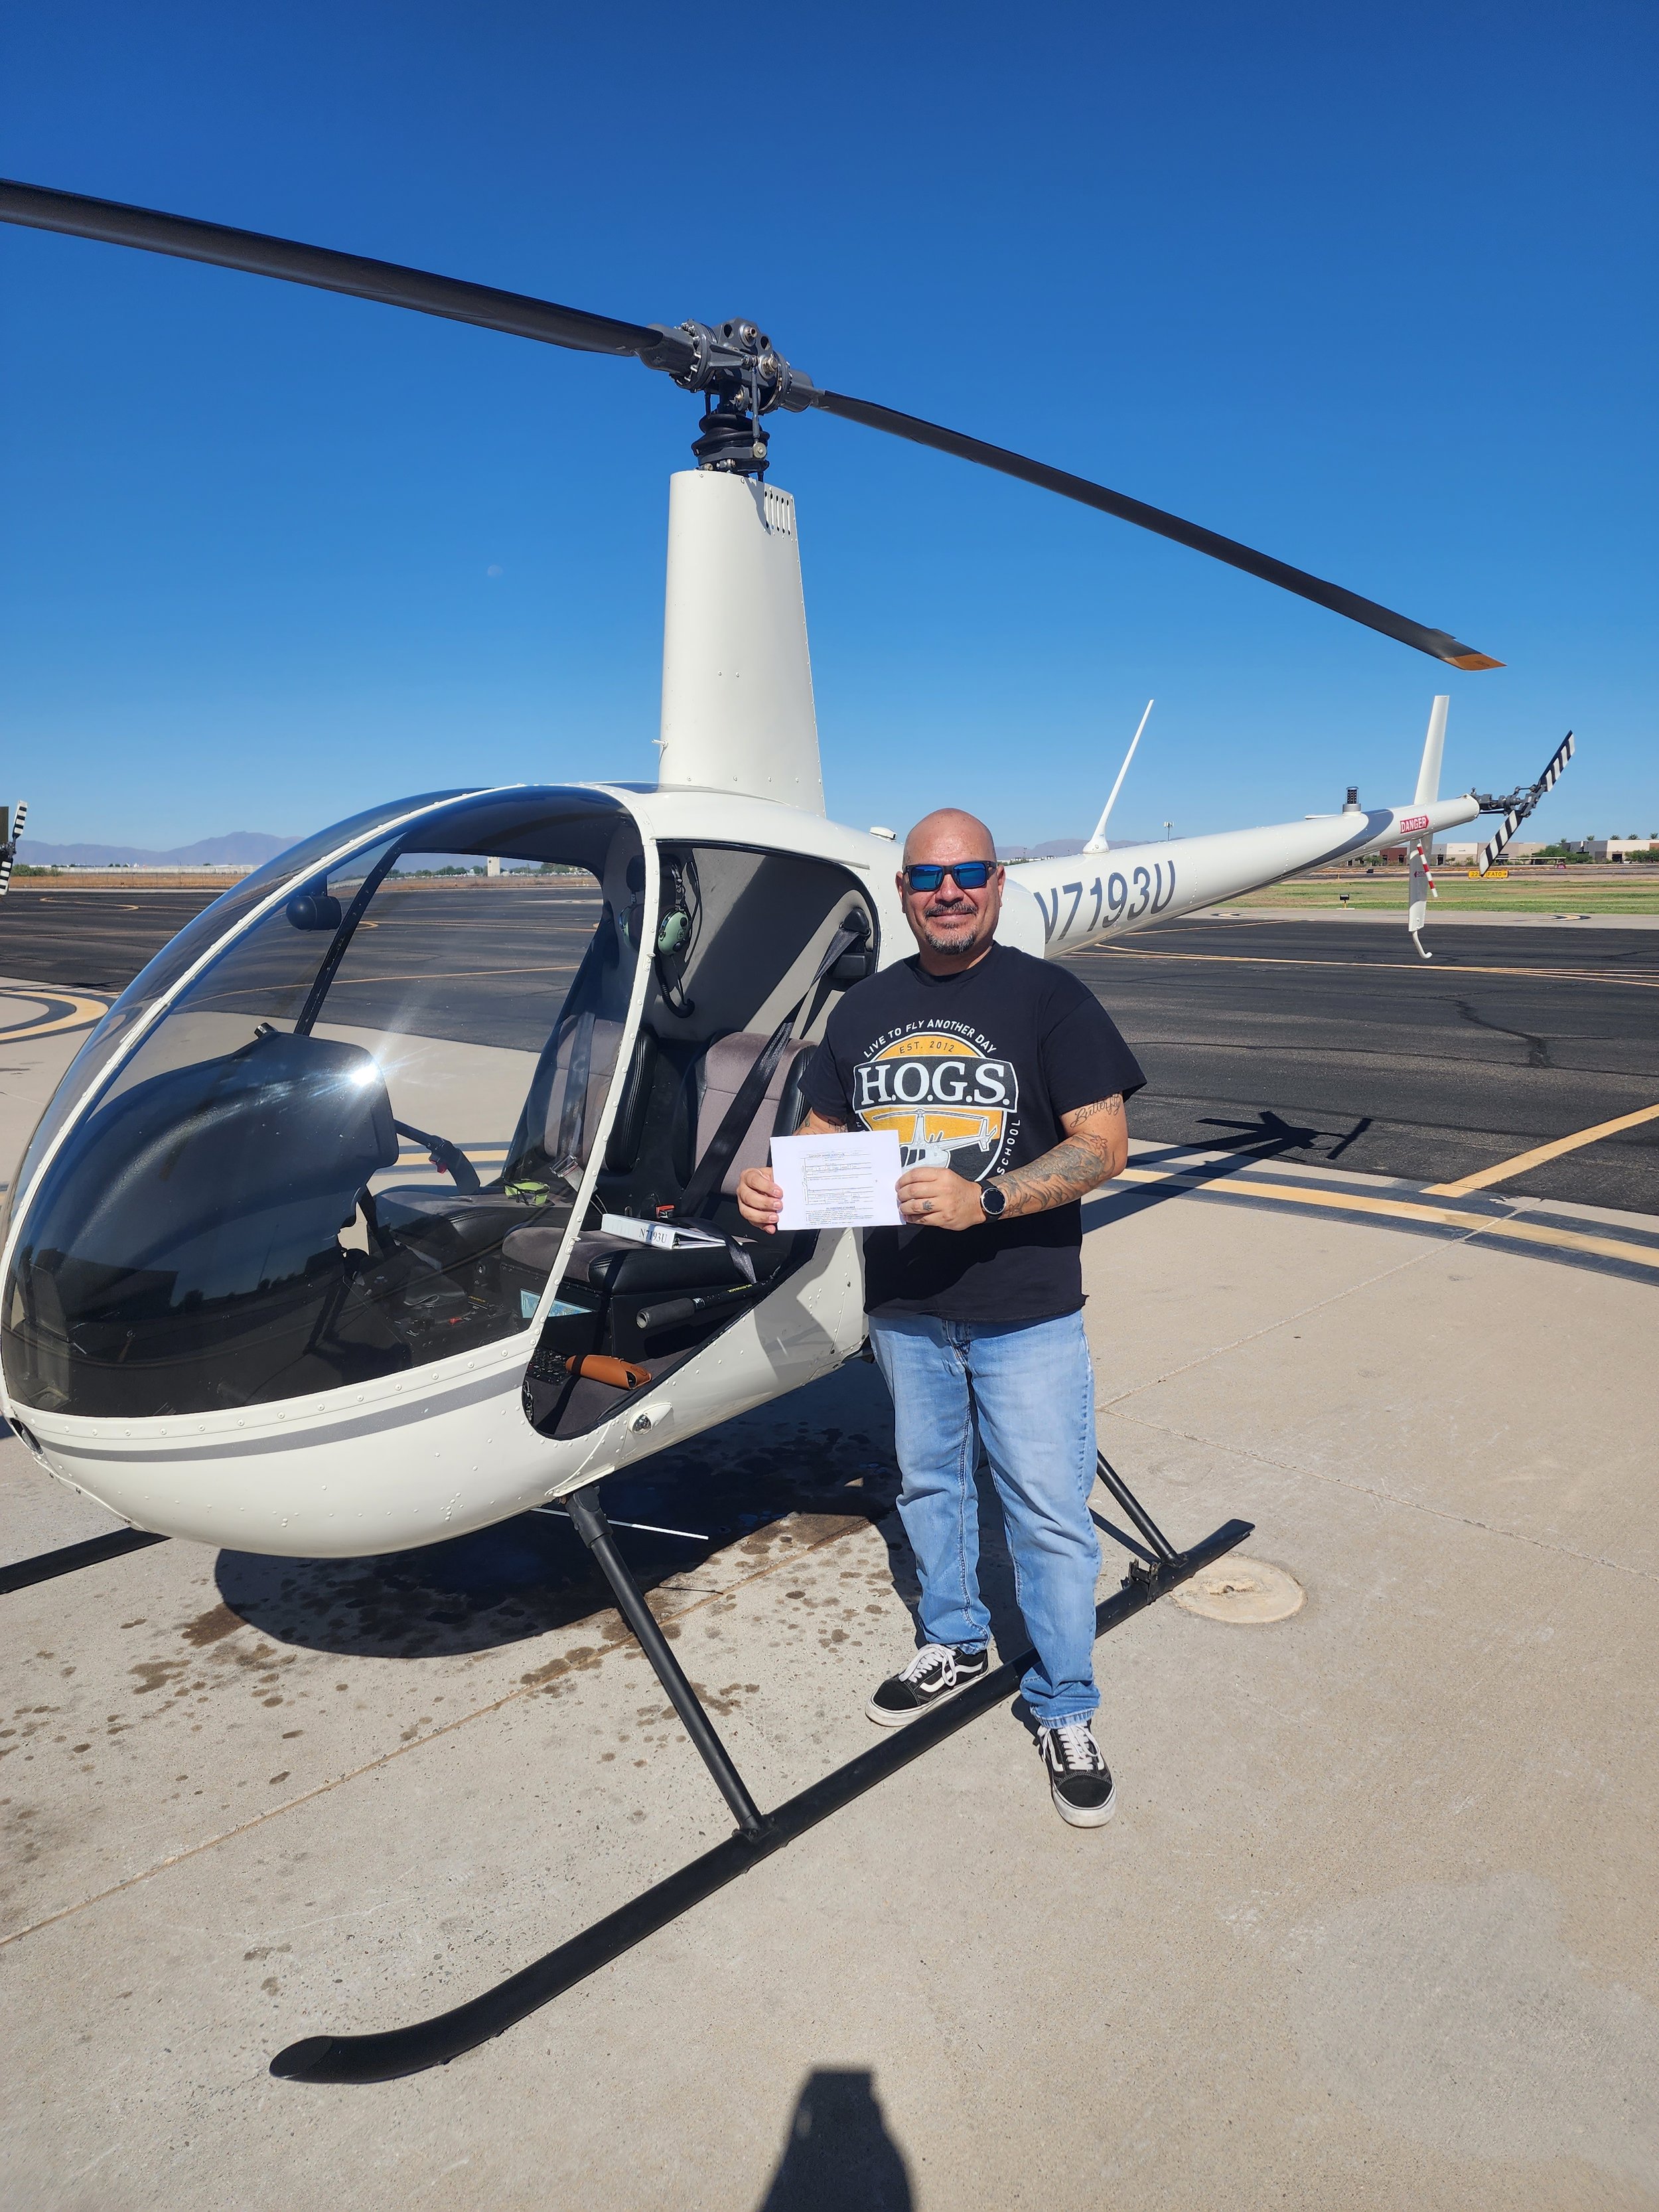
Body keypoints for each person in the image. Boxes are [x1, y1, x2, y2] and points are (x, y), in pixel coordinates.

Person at [738, 808, 1145, 1826]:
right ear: (905, 890)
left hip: (1026, 1312)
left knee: (1049, 1515)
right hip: (909, 1311)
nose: (949, 892)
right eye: (928, 877)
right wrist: (775, 1186)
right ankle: (958, 1639)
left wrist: (990, 1197)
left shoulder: (1050, 998)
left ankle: (1066, 1703)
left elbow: (1105, 1144)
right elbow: (824, 1138)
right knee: (929, 1486)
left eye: (968, 873)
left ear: (998, 882)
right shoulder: (864, 1010)